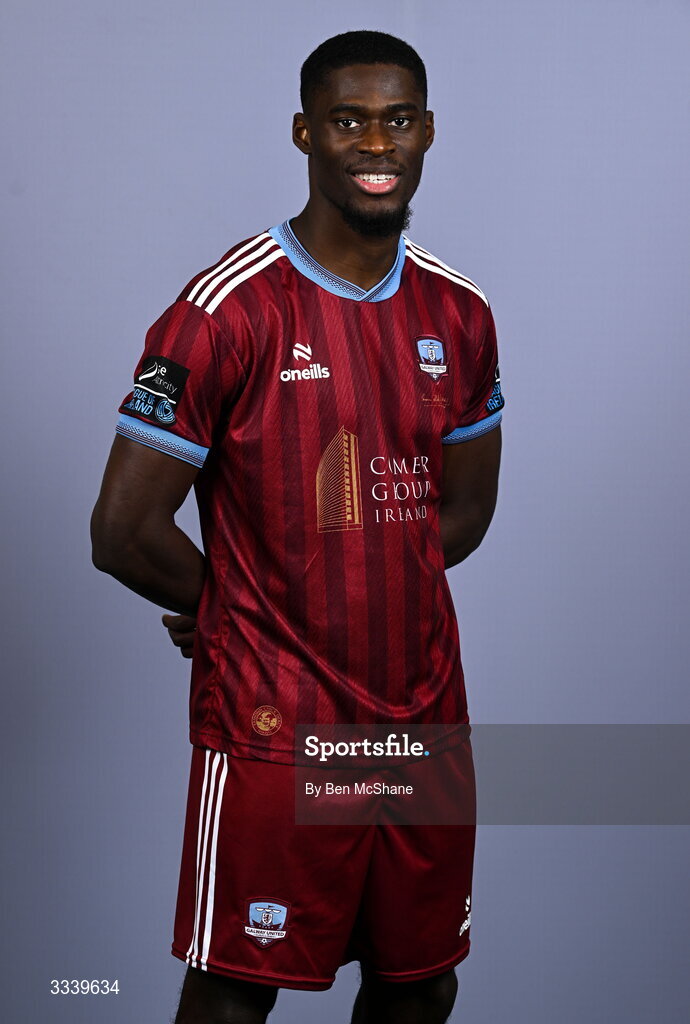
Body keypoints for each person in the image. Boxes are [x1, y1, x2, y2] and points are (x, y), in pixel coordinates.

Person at [91, 29, 504, 1024]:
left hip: (421, 716)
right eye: (349, 120)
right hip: (277, 724)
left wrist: (317, 585)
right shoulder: (221, 312)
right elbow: (122, 529)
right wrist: (248, 613)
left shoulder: (461, 312)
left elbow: (459, 516)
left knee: (421, 982)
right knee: (238, 985)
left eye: (397, 120)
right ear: (305, 132)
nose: (376, 143)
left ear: (428, 132)